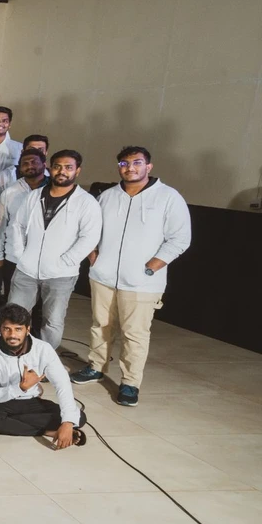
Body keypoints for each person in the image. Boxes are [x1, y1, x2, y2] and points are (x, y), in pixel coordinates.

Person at [72, 146, 191, 408]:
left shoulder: (168, 197)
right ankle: (96, 366)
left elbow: (180, 238)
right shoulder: (107, 196)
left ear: (149, 166)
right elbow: (90, 229)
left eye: (137, 163)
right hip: (103, 276)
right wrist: (93, 255)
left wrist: (152, 266)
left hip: (142, 281)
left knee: (134, 333)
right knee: (100, 324)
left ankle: (130, 382)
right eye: (124, 164)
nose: (130, 168)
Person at [7, 150, 102, 349]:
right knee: (15, 315)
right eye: (58, 166)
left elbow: (90, 237)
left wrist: (67, 261)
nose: (62, 171)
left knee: (52, 321)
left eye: (68, 167)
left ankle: (45, 360)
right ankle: (14, 355)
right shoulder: (34, 196)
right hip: (26, 269)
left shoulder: (86, 202)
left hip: (61, 274)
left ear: (77, 171)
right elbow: (17, 225)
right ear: (50, 168)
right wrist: (20, 254)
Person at [0, 303, 86, 447]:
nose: (12, 335)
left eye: (18, 329)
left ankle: (33, 426)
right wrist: (20, 388)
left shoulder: (43, 349)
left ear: (27, 329)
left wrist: (67, 423)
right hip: (2, 402)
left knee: (79, 417)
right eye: (7, 329)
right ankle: (49, 431)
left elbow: (62, 384)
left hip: (32, 402)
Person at [0, 148, 48, 308]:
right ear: (20, 168)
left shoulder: (54, 191)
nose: (30, 166)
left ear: (44, 165)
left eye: (34, 162)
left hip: (45, 258)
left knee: (42, 306)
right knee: (15, 304)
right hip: (14, 257)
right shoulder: (10, 193)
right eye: (25, 163)